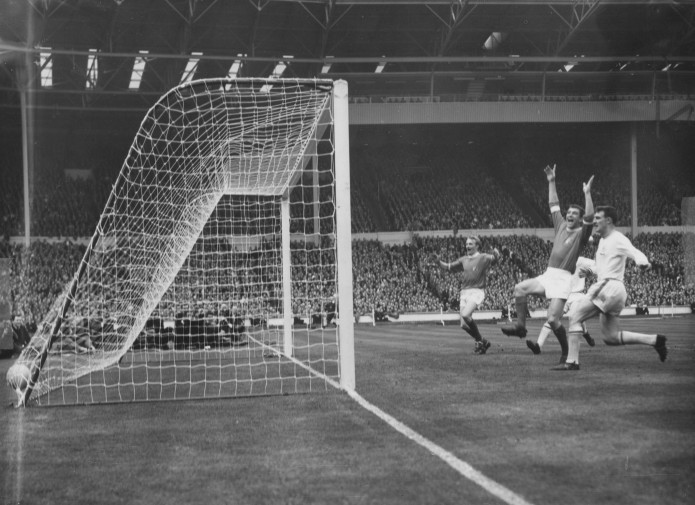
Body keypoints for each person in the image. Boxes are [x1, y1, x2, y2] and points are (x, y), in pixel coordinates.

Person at [553, 206, 667, 370]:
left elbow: (634, 252)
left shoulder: (617, 238)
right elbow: (604, 268)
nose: (595, 221)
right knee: (610, 337)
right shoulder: (604, 241)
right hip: (615, 290)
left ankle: (571, 362)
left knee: (575, 316)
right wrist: (591, 272)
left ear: (609, 221)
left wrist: (643, 262)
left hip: (609, 287)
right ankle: (656, 340)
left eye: (598, 218)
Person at [501, 164, 594, 364]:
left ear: (579, 220)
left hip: (563, 280)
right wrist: (551, 181)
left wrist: (587, 194)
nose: (569, 215)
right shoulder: (560, 225)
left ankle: (565, 351)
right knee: (519, 289)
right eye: (568, 213)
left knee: (552, 320)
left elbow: (589, 218)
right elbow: (553, 204)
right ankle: (520, 328)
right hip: (549, 274)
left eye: (574, 214)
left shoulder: (581, 235)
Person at [431, 236, 500, 354]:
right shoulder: (463, 259)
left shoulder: (483, 257)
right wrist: (438, 262)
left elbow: (494, 259)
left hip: (477, 291)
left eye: (470, 244)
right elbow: (448, 267)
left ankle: (479, 341)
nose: (467, 246)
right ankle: (483, 341)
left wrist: (496, 254)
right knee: (463, 324)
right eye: (467, 244)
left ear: (477, 245)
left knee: (465, 314)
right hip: (464, 292)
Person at [526, 256, 596, 355]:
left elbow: (597, 266)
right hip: (565, 295)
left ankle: (586, 335)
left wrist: (590, 271)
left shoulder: (581, 260)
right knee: (552, 319)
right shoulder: (562, 260)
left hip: (578, 295)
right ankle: (538, 346)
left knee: (577, 319)